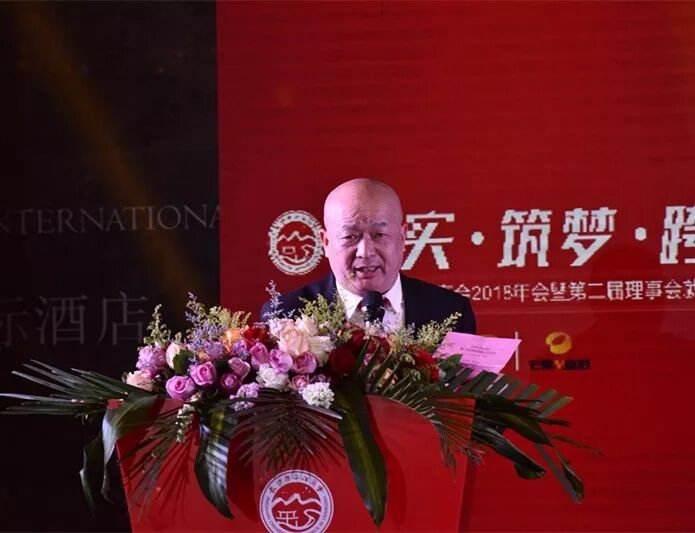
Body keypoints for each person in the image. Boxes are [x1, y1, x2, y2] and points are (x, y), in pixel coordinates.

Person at [261, 178, 475, 334]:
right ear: (326, 242)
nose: (366, 252)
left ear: (403, 237)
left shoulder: (451, 312)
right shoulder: (285, 315)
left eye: (379, 235)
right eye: (350, 236)